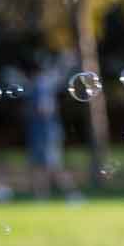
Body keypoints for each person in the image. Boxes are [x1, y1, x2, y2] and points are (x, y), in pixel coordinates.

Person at [25, 54, 73, 198]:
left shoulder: (41, 84)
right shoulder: (40, 84)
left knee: (52, 165)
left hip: (47, 131)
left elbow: (44, 109)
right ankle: (41, 196)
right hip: (41, 130)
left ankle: (70, 194)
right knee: (41, 165)